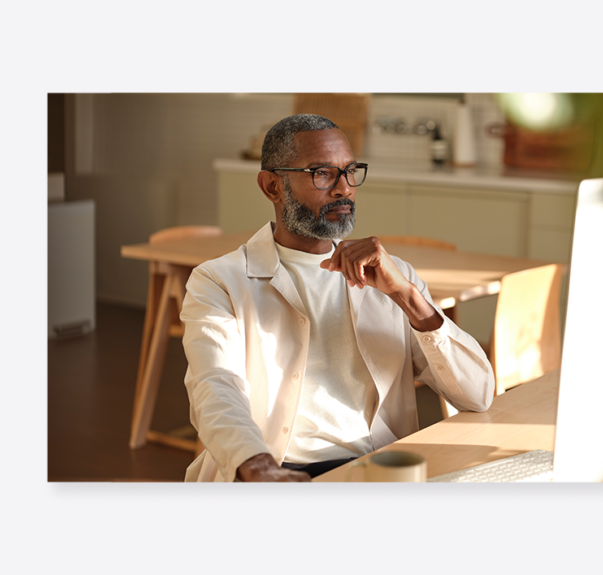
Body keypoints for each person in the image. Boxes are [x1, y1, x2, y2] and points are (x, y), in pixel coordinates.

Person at [181, 114, 495, 482]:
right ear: (272, 187)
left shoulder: (396, 278)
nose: (343, 188)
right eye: (322, 173)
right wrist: (258, 466)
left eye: (350, 171)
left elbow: (479, 395)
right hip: (274, 474)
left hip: (379, 472)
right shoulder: (218, 281)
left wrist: (408, 297)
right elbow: (215, 387)